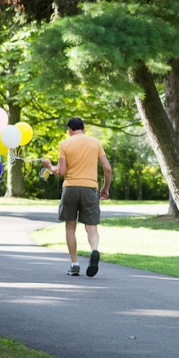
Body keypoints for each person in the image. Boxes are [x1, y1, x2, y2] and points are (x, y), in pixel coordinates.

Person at [42, 117, 112, 277]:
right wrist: (105, 188)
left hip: (71, 188)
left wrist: (49, 167)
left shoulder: (65, 144)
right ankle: (94, 250)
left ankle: (74, 265)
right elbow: (107, 168)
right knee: (91, 227)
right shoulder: (95, 143)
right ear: (83, 128)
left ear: (69, 129)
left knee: (70, 226)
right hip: (90, 188)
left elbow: (61, 171)